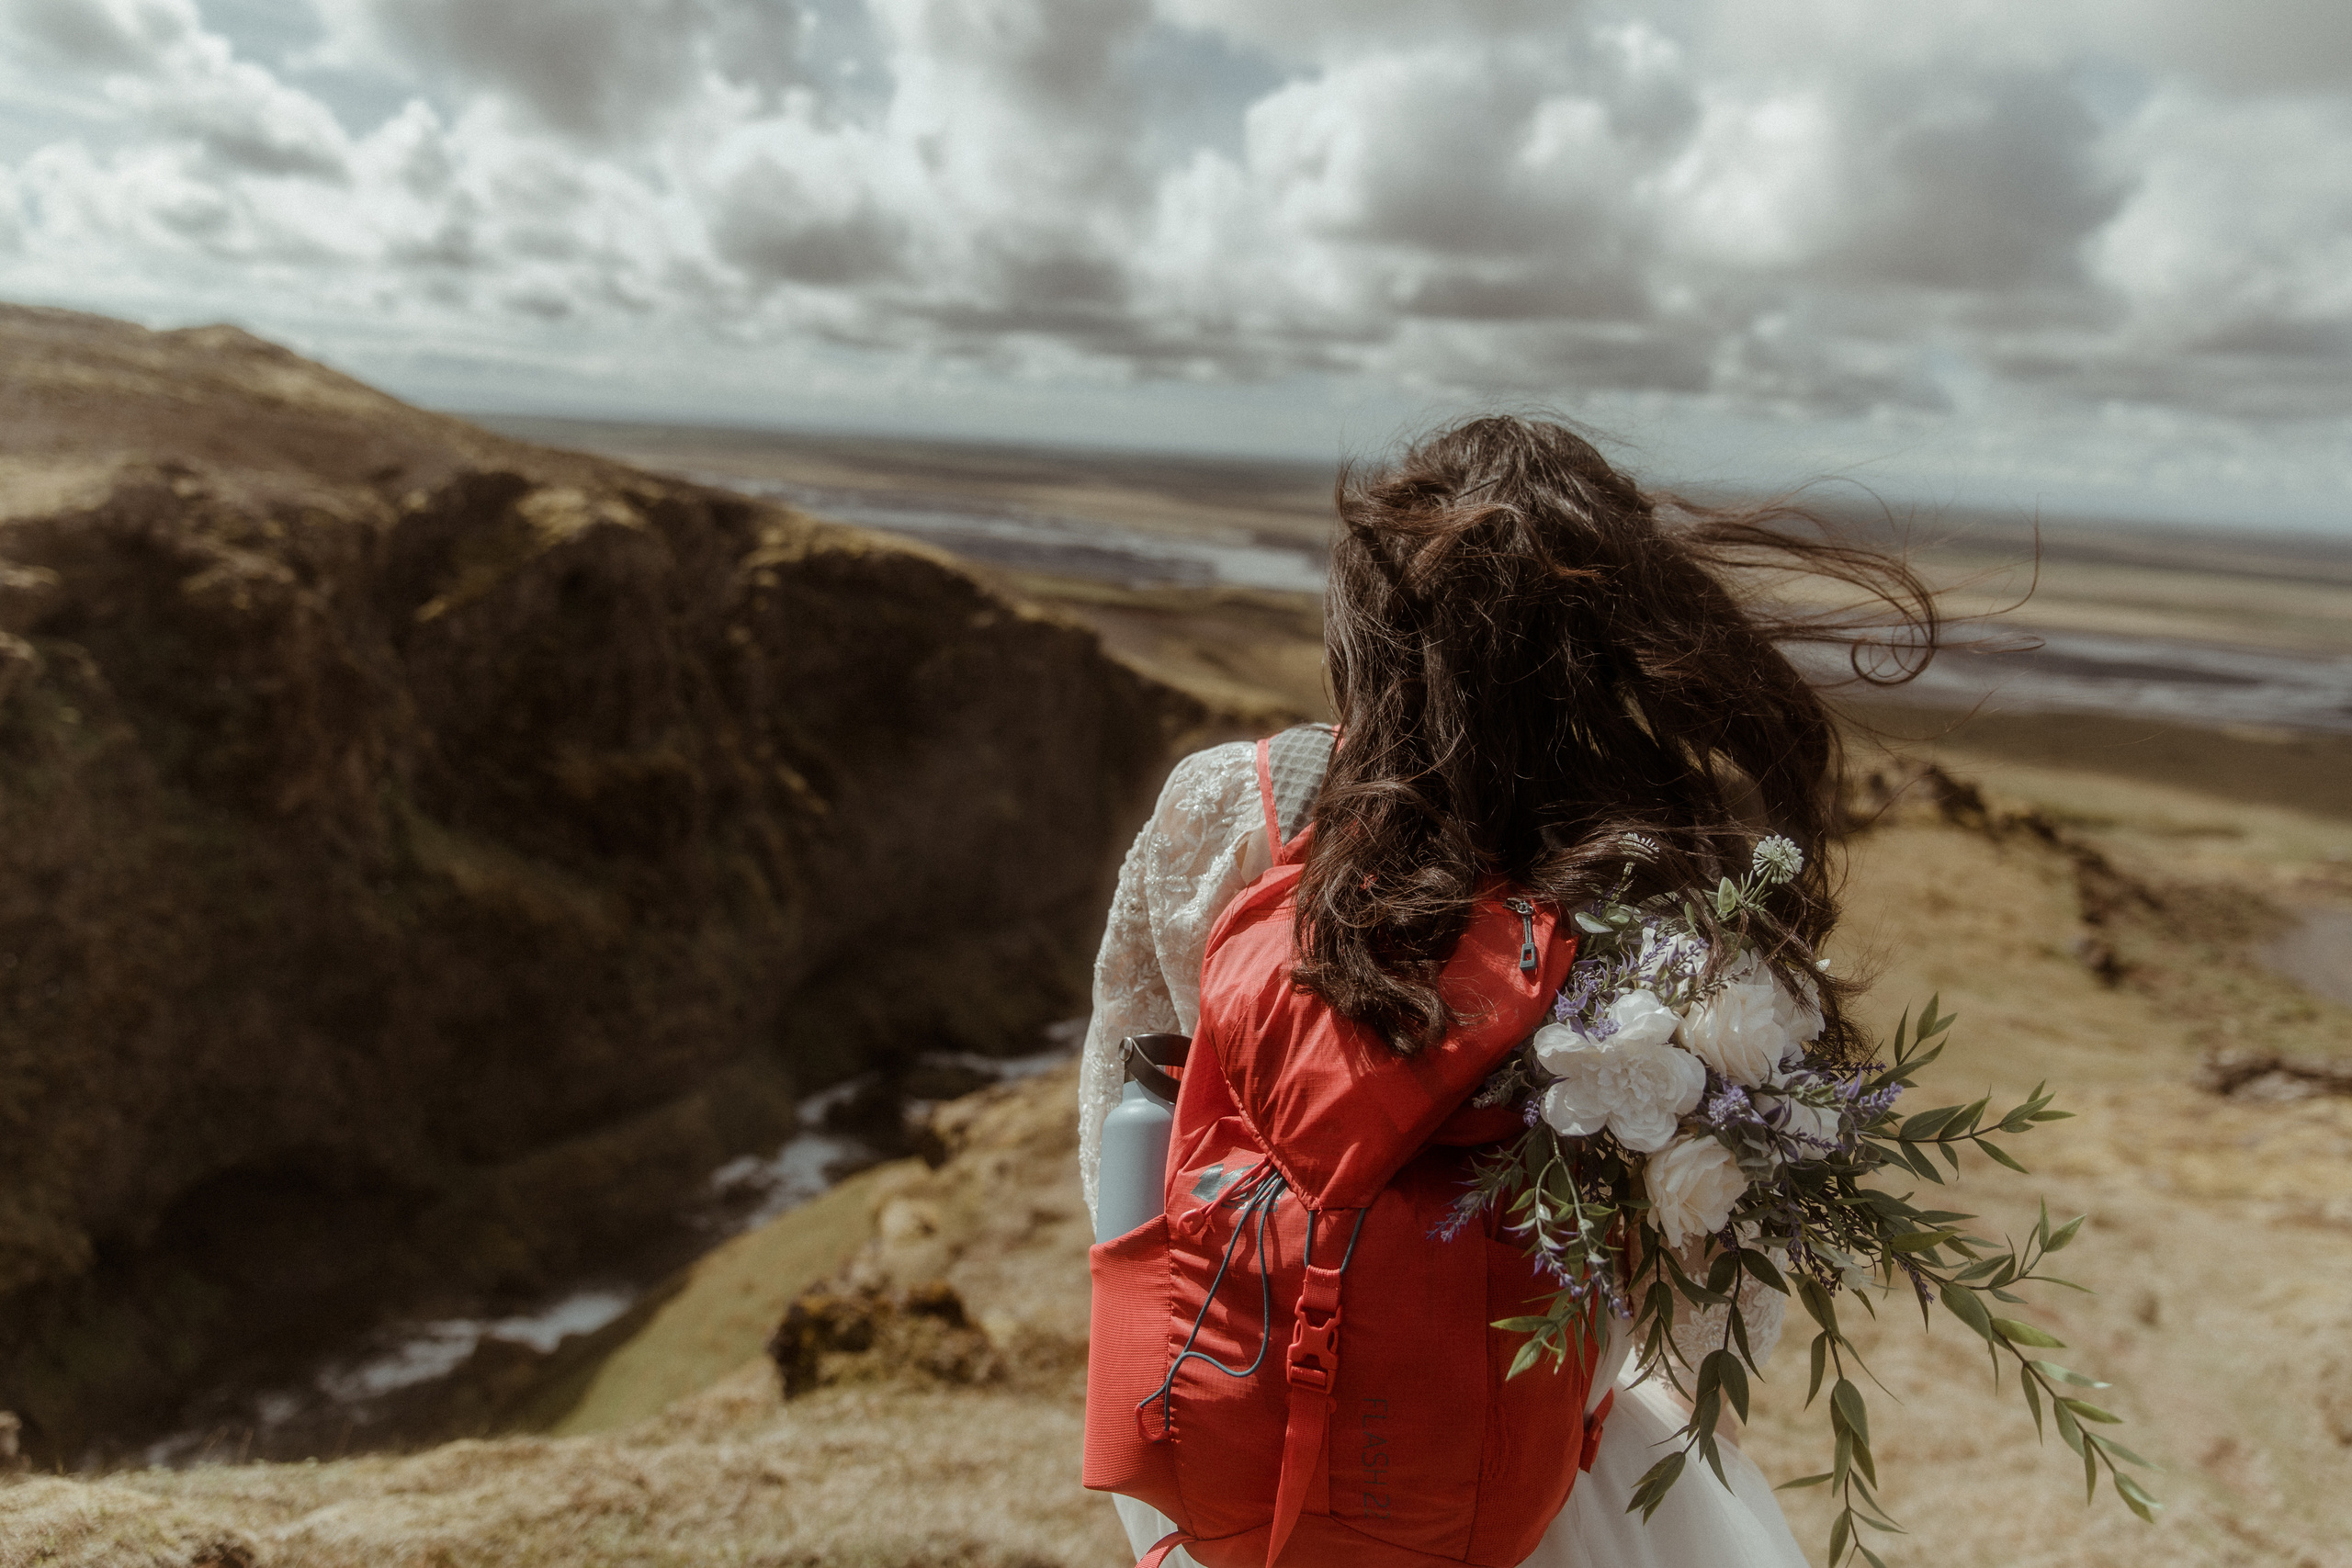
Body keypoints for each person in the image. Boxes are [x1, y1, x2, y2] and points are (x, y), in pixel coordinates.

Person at [1078, 415, 1937, 1568]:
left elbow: (1128, 1128)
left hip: (1247, 1414)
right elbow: (1714, 1303)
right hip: (1531, 1477)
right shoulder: (1666, 881)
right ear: (1617, 632)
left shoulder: (1232, 805)